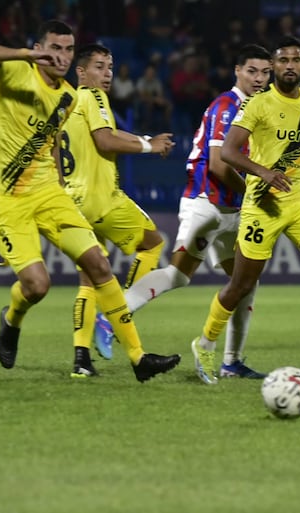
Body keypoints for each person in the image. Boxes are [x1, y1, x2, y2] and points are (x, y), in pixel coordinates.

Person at [0, 20, 180, 382]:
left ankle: (138, 358)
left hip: (50, 192)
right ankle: (11, 319)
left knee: (98, 263)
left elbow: (50, 145)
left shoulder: (67, 96)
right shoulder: (17, 72)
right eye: (55, 47)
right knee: (37, 285)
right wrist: (26, 54)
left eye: (67, 49)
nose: (60, 56)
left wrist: (61, 189)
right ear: (39, 47)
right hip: (3, 197)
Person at [97, 44, 274, 380]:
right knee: (179, 275)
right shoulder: (228, 106)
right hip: (208, 203)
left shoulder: (257, 109)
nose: (259, 78)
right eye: (252, 71)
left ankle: (232, 362)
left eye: (265, 72)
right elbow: (221, 167)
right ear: (237, 71)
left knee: (246, 282)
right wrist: (256, 192)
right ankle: (111, 314)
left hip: (233, 210)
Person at [188, 36, 300, 384]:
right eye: (284, 61)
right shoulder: (257, 105)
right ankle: (204, 345)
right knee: (241, 284)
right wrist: (265, 173)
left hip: (299, 202)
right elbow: (230, 153)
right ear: (275, 67)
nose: (291, 66)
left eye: (297, 59)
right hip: (263, 204)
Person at [60, 43, 176, 377]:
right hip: (101, 199)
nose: (107, 73)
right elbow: (106, 141)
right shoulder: (93, 97)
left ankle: (81, 360)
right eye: (98, 66)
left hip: (71, 200)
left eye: (110, 67)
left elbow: (105, 134)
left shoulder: (65, 102)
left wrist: (142, 137)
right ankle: (116, 314)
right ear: (81, 72)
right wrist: (149, 145)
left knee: (89, 279)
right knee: (152, 244)